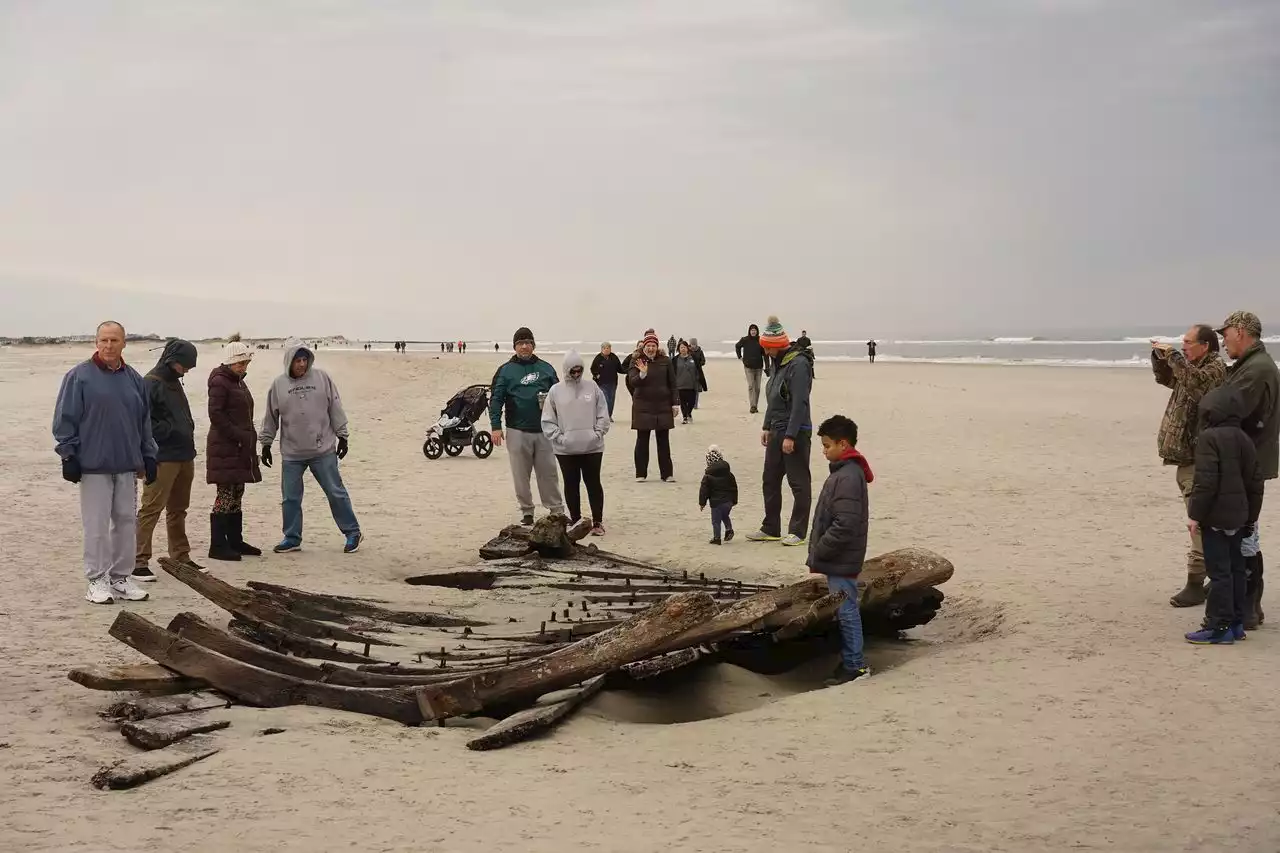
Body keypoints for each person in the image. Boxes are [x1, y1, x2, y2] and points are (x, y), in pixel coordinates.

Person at [52, 321, 158, 604]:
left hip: (126, 464)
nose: (109, 345)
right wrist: (68, 454)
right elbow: (65, 419)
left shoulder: (134, 378)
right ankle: (97, 580)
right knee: (96, 525)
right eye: (104, 340)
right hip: (93, 465)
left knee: (125, 522)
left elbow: (143, 422)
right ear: (96, 343)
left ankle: (121, 577)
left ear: (124, 343)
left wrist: (149, 455)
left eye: (114, 340)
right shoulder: (79, 377)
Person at [259, 339, 363, 554]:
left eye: (305, 360)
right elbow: (270, 416)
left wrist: (343, 435)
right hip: (292, 453)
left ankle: (352, 532)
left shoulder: (322, 378)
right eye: (297, 360)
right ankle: (292, 537)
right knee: (290, 498)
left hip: (322, 449)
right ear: (289, 360)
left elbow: (335, 405)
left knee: (336, 492)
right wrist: (266, 443)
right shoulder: (278, 385)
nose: (302, 364)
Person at [1152, 325, 1227, 607]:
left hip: (1200, 460)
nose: (1183, 346)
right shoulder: (1193, 368)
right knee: (1200, 520)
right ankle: (1207, 579)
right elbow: (1170, 380)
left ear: (1205, 345)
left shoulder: (1215, 370)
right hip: (1188, 459)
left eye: (1187, 342)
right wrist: (1161, 359)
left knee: (1198, 522)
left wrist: (1174, 357)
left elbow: (1195, 383)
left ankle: (1196, 582)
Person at [1183, 387, 1265, 644]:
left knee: (1219, 573)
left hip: (1216, 517)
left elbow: (1205, 482)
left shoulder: (1209, 438)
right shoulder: (1244, 438)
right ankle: (1237, 623)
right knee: (1237, 570)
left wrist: (1195, 515)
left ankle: (1218, 626)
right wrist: (1251, 517)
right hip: (1239, 515)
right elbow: (1255, 483)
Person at [1216, 311, 1279, 629]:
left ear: (1240, 332)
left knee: (1243, 534)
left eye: (1224, 334)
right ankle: (1247, 604)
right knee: (1243, 532)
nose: (1222, 341)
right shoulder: (1251, 366)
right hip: (1248, 461)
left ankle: (1249, 606)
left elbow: (1229, 411)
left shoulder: (1256, 370)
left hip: (1246, 464)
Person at [809, 414, 873, 685]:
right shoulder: (845, 473)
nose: (823, 451)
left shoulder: (847, 476)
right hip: (840, 557)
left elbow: (845, 524)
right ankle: (850, 660)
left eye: (826, 446)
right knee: (845, 609)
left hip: (841, 557)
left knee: (846, 610)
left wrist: (820, 551)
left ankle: (856, 665)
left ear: (843, 444)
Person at [133, 338, 200, 582]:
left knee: (178, 510)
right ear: (172, 360)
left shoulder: (174, 381)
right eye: (185, 365)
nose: (188, 370)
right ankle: (138, 561)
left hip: (185, 455)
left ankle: (180, 556)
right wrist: (170, 430)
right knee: (151, 508)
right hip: (162, 456)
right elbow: (142, 422)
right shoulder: (151, 382)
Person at [748, 316, 815, 546]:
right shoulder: (778, 363)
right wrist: (766, 426)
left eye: (766, 347)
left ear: (774, 345)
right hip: (776, 429)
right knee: (770, 479)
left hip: (795, 431)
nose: (764, 351)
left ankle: (798, 531)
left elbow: (800, 403)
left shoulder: (798, 364)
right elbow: (773, 399)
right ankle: (771, 528)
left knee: (798, 482)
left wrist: (790, 435)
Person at [490, 327, 565, 525]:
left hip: (544, 430)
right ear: (515, 346)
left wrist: (563, 423)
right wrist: (495, 426)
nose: (524, 346)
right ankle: (527, 511)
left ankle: (556, 510)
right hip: (517, 430)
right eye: (520, 343)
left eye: (528, 342)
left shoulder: (546, 368)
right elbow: (496, 399)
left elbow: (560, 397)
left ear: (533, 345)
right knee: (520, 475)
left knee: (548, 472)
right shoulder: (505, 370)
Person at [542, 350, 611, 536]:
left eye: (579, 370)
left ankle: (597, 522)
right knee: (571, 484)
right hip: (565, 450)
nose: (576, 374)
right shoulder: (555, 391)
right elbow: (548, 419)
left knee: (593, 483)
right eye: (572, 371)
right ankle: (576, 519)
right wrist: (559, 438)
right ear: (566, 370)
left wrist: (598, 434)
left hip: (593, 448)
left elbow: (603, 414)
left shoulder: (592, 387)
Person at [206, 335, 263, 562]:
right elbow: (216, 415)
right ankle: (218, 545)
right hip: (226, 447)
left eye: (246, 363)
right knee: (225, 494)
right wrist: (239, 436)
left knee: (237, 492)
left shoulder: (237, 380)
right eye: (240, 363)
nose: (243, 367)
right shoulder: (220, 381)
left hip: (240, 446)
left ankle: (235, 540)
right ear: (230, 362)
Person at [626, 331, 680, 482]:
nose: (651, 348)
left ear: (657, 346)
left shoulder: (665, 361)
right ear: (644, 346)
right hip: (643, 406)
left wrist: (675, 403)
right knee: (642, 440)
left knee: (663, 441)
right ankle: (641, 474)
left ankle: (667, 474)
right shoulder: (636, 360)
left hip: (662, 405)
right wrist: (642, 374)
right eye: (648, 345)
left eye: (653, 345)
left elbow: (673, 383)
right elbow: (632, 381)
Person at [699, 445, 738, 545]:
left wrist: (702, 503)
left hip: (716, 503)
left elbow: (704, 491)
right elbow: (734, 488)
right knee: (725, 515)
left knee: (716, 521)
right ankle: (729, 529)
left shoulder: (707, 476)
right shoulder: (729, 474)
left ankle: (717, 538)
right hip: (728, 501)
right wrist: (734, 500)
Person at [736, 323, 766, 413]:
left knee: (757, 388)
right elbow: (737, 346)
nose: (753, 332)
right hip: (748, 367)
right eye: (752, 330)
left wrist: (767, 366)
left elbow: (765, 354)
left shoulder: (761, 340)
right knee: (751, 386)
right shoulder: (745, 340)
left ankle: (755, 405)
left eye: (755, 330)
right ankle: (752, 406)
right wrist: (740, 357)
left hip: (759, 367)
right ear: (749, 331)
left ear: (757, 331)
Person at [590, 342, 624, 418]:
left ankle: (609, 415)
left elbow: (619, 368)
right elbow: (593, 368)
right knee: (605, 400)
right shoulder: (598, 358)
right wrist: (596, 375)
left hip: (612, 383)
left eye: (608, 348)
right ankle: (605, 416)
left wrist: (628, 371)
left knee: (611, 400)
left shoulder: (613, 357)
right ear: (601, 349)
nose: (606, 350)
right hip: (601, 383)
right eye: (605, 348)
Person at [674, 341, 701, 424]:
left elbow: (699, 370)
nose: (683, 349)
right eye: (681, 347)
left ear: (687, 348)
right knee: (683, 402)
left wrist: (699, 381)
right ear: (678, 349)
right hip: (680, 385)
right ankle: (685, 417)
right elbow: (671, 372)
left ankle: (689, 413)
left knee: (692, 401)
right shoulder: (675, 359)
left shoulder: (693, 358)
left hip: (692, 384)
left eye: (684, 347)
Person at [688, 337, 708, 409]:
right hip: (688, 372)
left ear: (696, 344)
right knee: (689, 389)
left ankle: (695, 405)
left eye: (694, 344)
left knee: (696, 390)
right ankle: (690, 403)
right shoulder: (687, 351)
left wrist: (698, 364)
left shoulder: (700, 351)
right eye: (691, 344)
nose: (693, 346)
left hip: (697, 372)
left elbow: (703, 361)